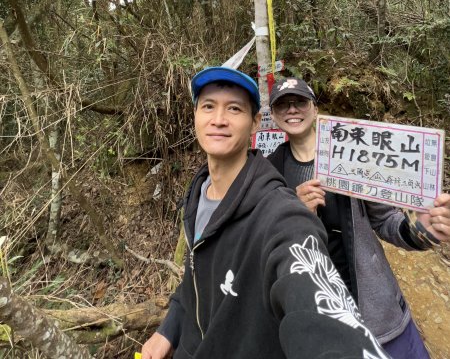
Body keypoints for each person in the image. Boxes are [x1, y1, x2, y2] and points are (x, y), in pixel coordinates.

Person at [141, 66, 390, 359]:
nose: (219, 119)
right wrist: (170, 327)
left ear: (255, 123)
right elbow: (197, 274)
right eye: (208, 106)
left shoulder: (280, 213)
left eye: (234, 109)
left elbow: (310, 283)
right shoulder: (198, 194)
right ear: (195, 115)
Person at [267, 77, 450, 359]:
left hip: (377, 314)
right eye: (283, 105)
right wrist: (297, 213)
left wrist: (421, 230)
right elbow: (271, 244)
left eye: (300, 102)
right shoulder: (271, 173)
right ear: (274, 115)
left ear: (314, 108)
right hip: (317, 314)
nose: (292, 110)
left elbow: (386, 220)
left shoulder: (353, 153)